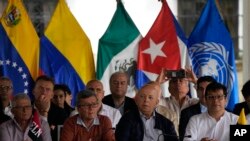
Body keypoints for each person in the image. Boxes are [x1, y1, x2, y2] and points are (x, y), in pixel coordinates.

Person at [179, 76, 216, 141]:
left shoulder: (228, 113)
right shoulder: (186, 113)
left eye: (207, 89)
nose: (204, 93)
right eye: (201, 89)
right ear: (197, 91)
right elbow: (183, 139)